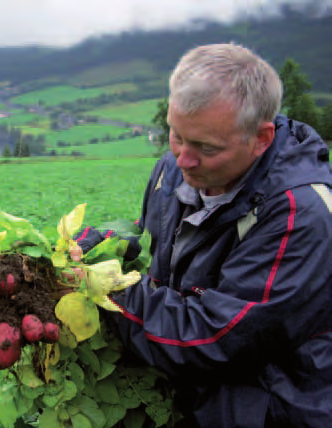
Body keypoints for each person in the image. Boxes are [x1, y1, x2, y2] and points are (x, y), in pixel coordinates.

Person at [77, 43, 332, 427]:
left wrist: (107, 289)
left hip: (265, 407)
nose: (183, 159)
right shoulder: (173, 170)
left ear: (261, 138)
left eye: (205, 147)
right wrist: (103, 247)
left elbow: (215, 338)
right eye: (176, 135)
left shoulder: (301, 213)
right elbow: (158, 249)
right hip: (188, 392)